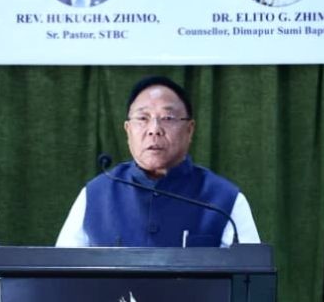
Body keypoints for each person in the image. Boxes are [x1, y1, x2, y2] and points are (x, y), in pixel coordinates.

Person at [56, 76, 260, 247]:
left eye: (168, 118)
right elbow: (61, 276)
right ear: (128, 130)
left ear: (189, 130)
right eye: (143, 118)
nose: (154, 129)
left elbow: (251, 281)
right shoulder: (95, 194)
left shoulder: (225, 199)